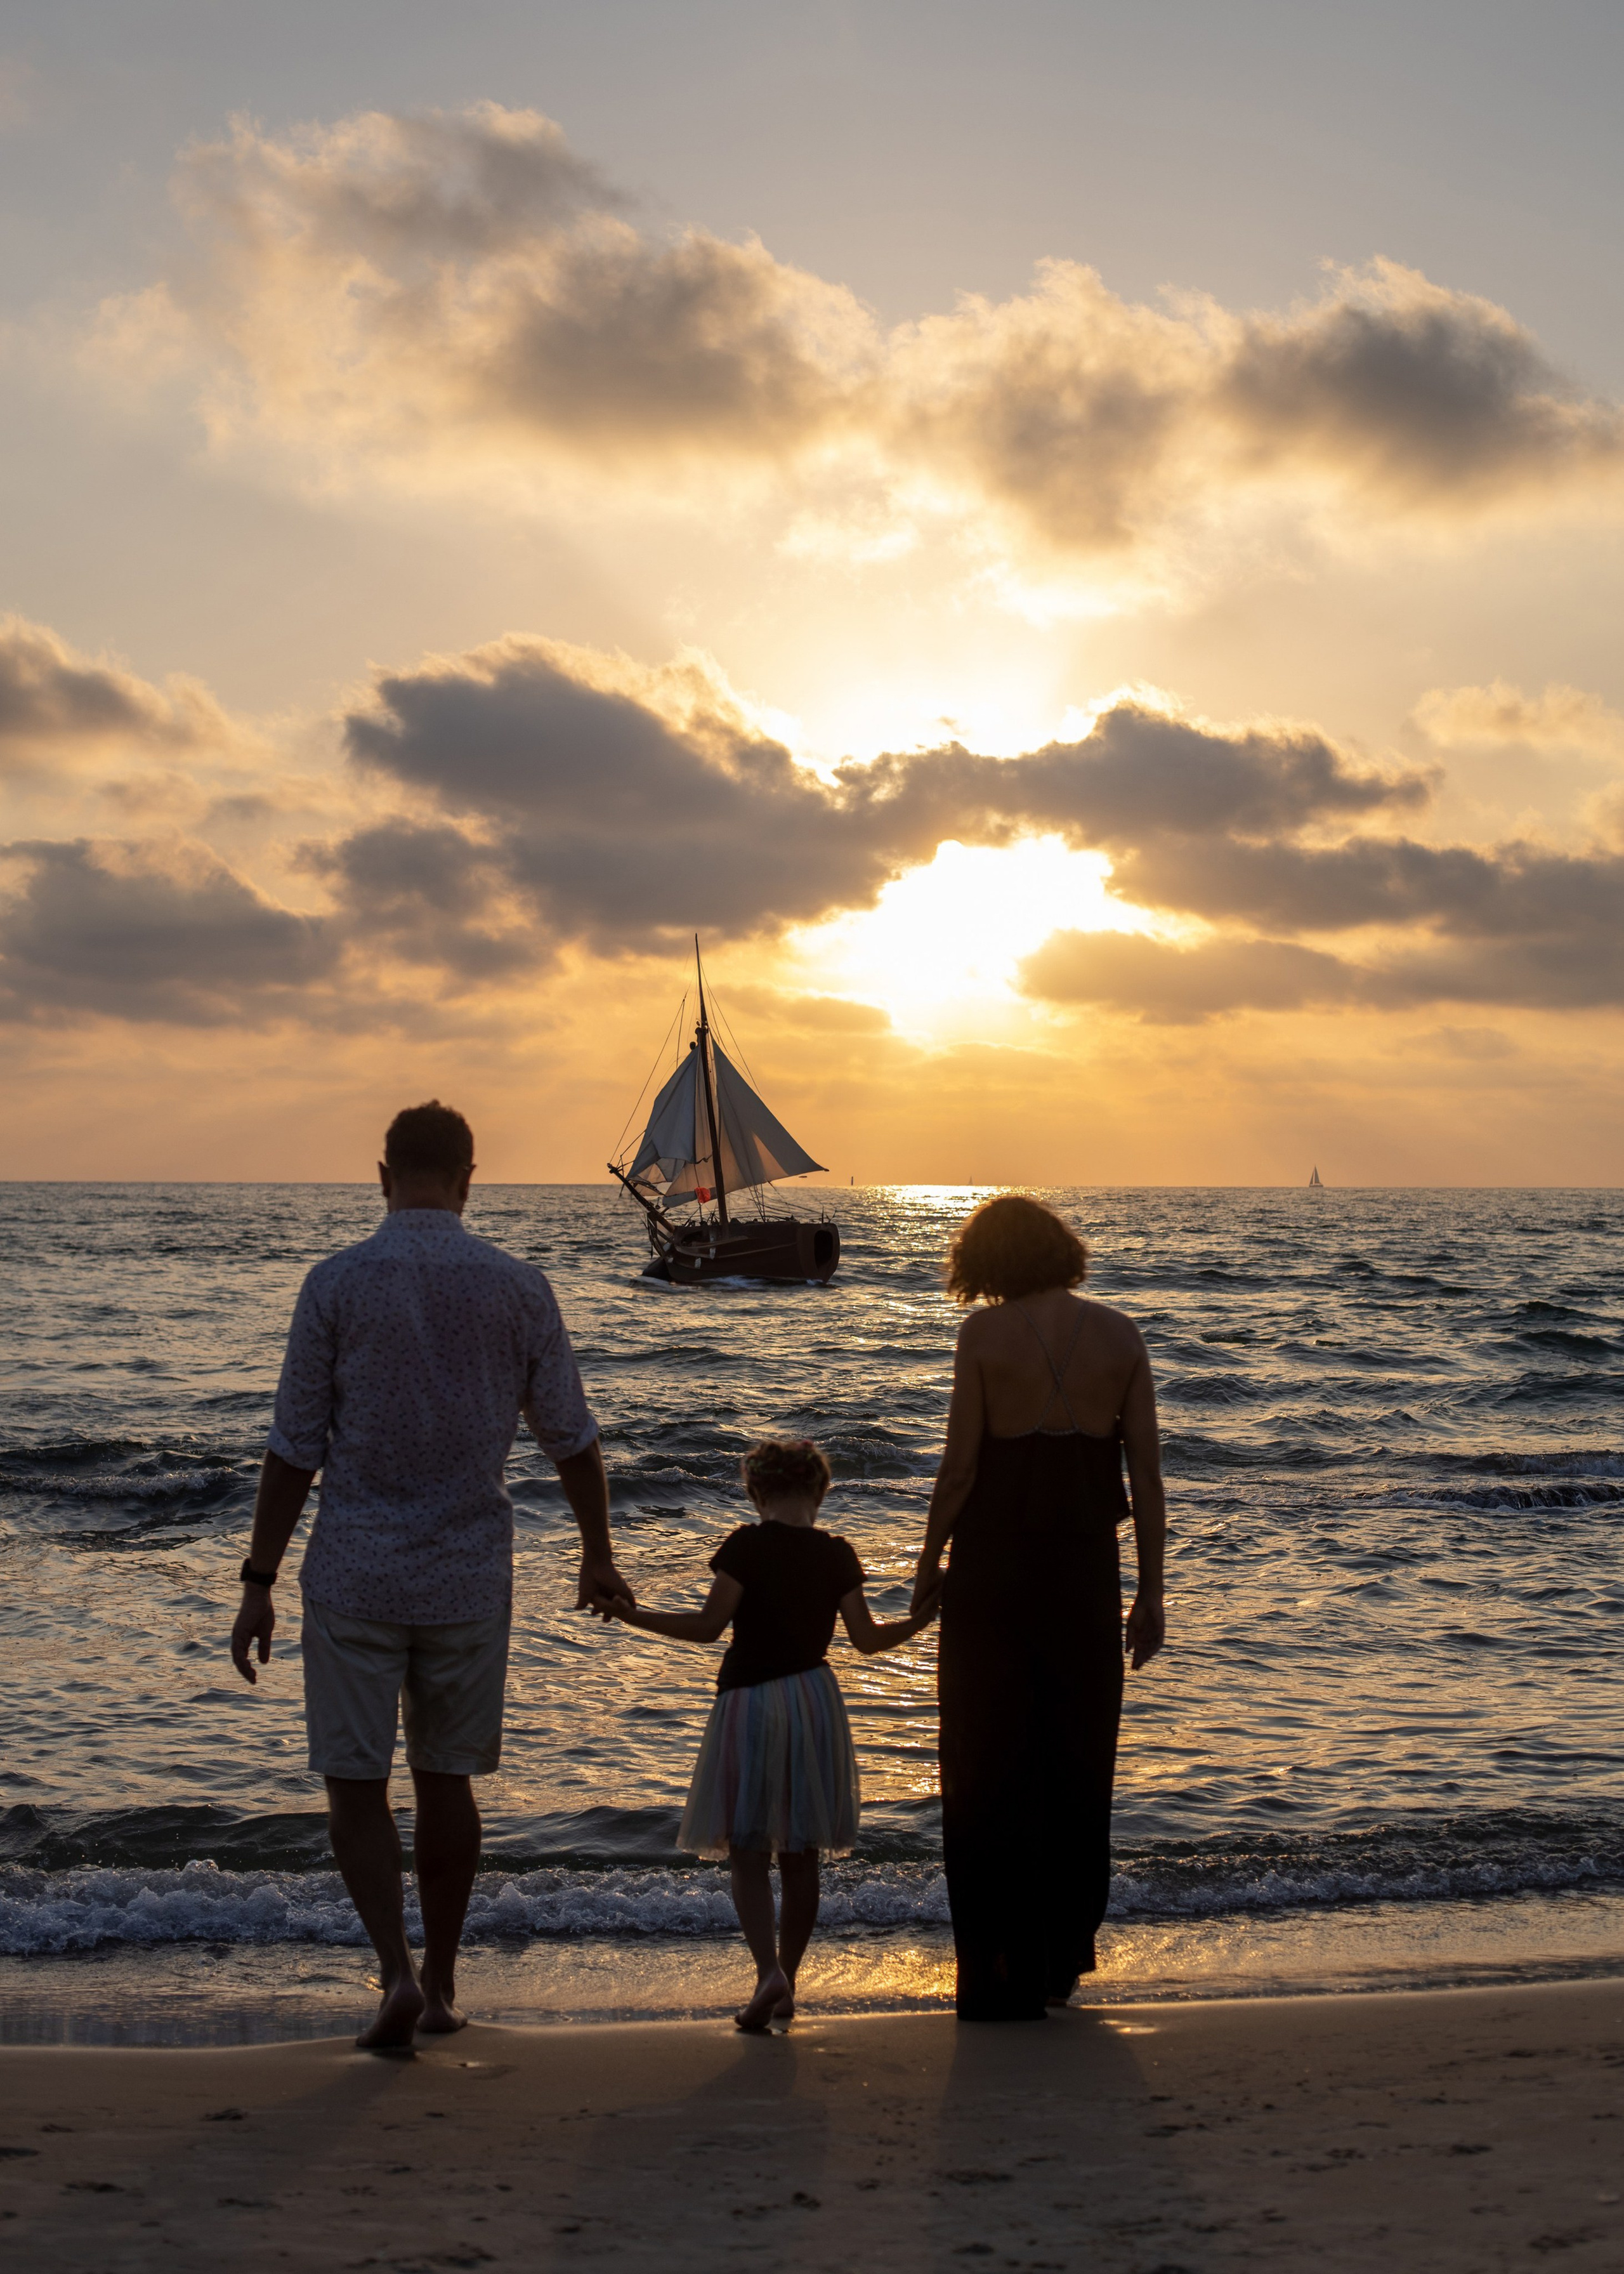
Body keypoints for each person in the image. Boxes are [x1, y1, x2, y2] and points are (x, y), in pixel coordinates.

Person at [228, 1100, 630, 2052]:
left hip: (354, 1574)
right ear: (467, 1180)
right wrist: (598, 1553)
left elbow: (293, 1448)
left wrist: (258, 1579)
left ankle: (395, 1973)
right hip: (467, 1574)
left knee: (355, 1786)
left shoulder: (335, 1283)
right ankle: (444, 1985)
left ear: (382, 1176)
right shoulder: (519, 1287)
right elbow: (572, 1438)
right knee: (447, 1784)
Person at [910, 1193, 1166, 2022]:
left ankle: (999, 1971)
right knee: (1077, 1762)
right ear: (1060, 1249)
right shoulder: (1121, 1335)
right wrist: (1152, 1591)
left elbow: (959, 1470)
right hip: (1085, 1576)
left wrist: (926, 1561)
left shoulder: (982, 1336)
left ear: (988, 1260)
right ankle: (1060, 1961)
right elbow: (1147, 1480)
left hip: (991, 1576)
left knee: (985, 1764)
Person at [598, 1438, 940, 2031]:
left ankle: (767, 1973)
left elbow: (709, 1627)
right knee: (801, 1854)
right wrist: (922, 1620)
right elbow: (866, 1640)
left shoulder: (746, 1546)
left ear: (757, 1493)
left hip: (750, 1702)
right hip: (814, 1702)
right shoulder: (838, 1553)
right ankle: (788, 1982)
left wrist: (633, 1616)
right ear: (820, 1491)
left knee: (749, 1851)